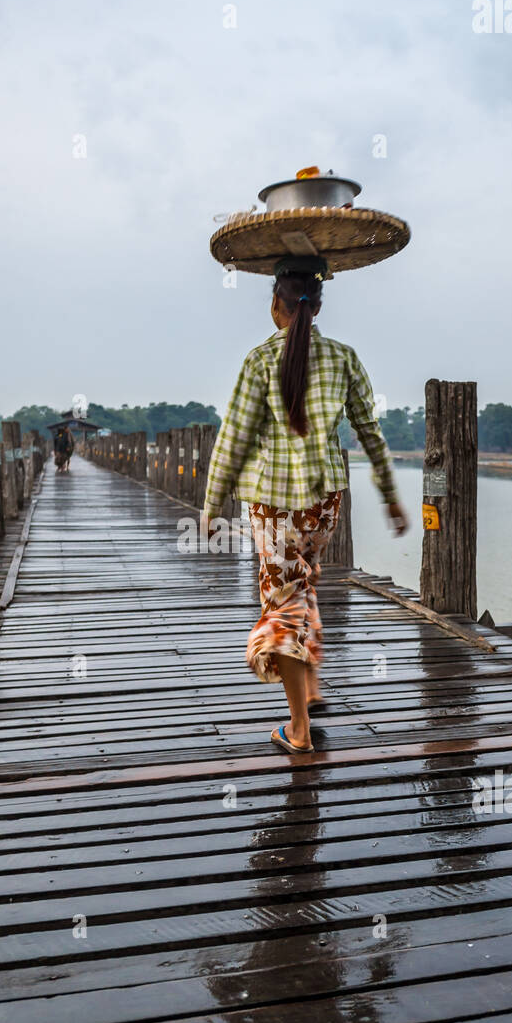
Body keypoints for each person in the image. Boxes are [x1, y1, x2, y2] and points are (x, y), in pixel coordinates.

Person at [202, 255, 408, 754]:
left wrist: (210, 505)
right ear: (316, 306)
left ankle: (298, 730)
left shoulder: (258, 360)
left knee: (285, 601)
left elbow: (233, 439)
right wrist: (391, 496)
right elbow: (370, 434)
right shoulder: (344, 357)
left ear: (276, 304)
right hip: (325, 504)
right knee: (304, 580)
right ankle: (311, 689)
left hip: (275, 506)